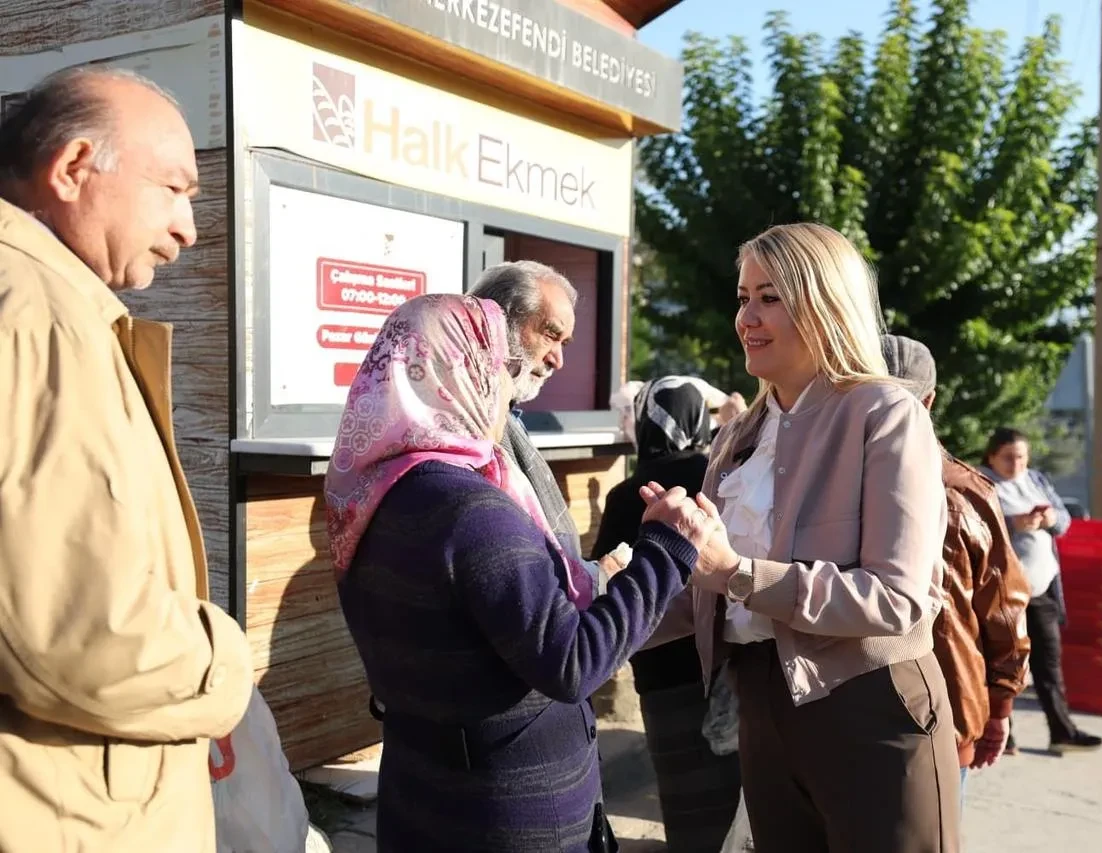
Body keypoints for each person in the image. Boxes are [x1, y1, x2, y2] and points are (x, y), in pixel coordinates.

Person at [325, 294, 725, 853]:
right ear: (460, 371)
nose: (503, 385)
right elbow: (570, 662)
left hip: (419, 793)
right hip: (510, 811)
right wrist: (666, 549)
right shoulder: (472, 508)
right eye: (495, 364)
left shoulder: (368, 494)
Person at [0, 67, 253, 851]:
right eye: (174, 188)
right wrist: (227, 661)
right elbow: (78, 633)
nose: (189, 228)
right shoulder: (39, 318)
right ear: (75, 167)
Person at [646, 223, 959, 853]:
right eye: (742, 297)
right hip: (760, 703)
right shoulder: (736, 438)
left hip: (872, 706)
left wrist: (736, 571)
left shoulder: (886, 414)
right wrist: (594, 608)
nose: (747, 318)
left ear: (824, 302)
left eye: (770, 297)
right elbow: (705, 591)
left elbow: (898, 600)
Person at [592, 377, 741, 853]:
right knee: (732, 805)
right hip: (723, 664)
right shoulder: (718, 476)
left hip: (658, 670)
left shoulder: (626, 494)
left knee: (685, 806)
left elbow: (608, 581)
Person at [881, 335, 1032, 797]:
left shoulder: (818, 479)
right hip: (945, 711)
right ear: (929, 400)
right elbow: (1004, 612)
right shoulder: (967, 493)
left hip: (833, 714)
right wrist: (999, 708)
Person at [980, 427, 1102, 755]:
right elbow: (972, 526)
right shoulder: (981, 482)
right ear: (992, 456)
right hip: (1004, 592)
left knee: (1048, 662)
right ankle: (1003, 732)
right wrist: (1013, 525)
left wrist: (1050, 517)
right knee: (1003, 663)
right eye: (1008, 457)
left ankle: (1062, 731)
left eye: (1021, 456)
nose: (1015, 464)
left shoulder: (1035, 480)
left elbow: (1064, 520)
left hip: (1044, 587)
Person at [468, 261, 601, 568]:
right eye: (549, 335)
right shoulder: (464, 425)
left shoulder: (505, 417)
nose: (558, 360)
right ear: (498, 324)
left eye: (564, 343)